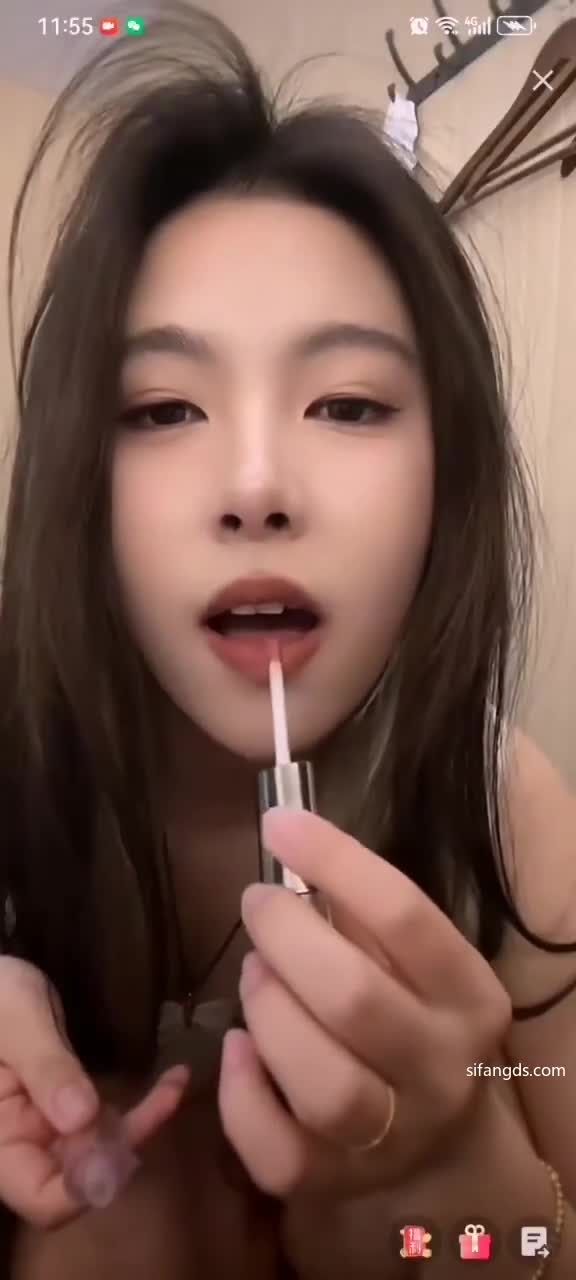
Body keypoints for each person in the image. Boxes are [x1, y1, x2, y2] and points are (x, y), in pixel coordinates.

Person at [1, 2, 576, 1276]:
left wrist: (453, 1177)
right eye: (162, 407)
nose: (256, 484)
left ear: (448, 481)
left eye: (349, 402)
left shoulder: (506, 810)